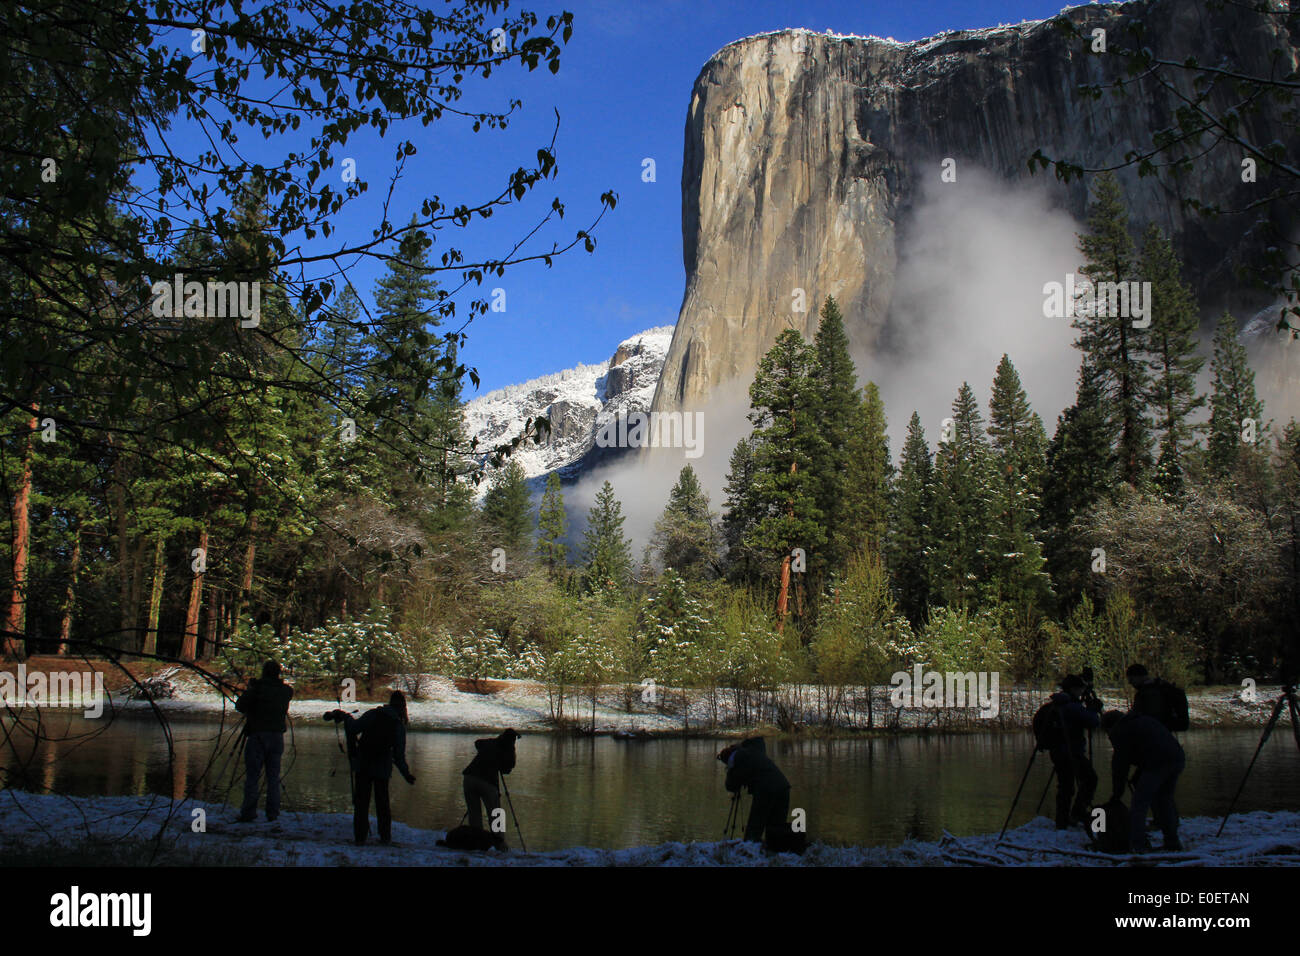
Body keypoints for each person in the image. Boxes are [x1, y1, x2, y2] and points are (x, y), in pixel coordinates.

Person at [325, 691, 416, 845]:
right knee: (383, 803)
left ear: (389, 702)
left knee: (361, 802)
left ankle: (360, 837)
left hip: (363, 764)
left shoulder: (373, 714)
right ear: (403, 707)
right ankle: (385, 837)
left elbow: (353, 728)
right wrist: (406, 774)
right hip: (382, 768)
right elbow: (399, 755)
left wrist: (345, 717)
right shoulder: (397, 724)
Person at [1102, 708, 1186, 852]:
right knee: (1164, 800)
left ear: (1110, 726)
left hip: (1158, 763)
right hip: (1176, 757)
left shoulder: (1120, 731)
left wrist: (1117, 794)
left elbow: (1120, 766)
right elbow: (1149, 747)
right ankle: (1172, 842)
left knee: (1139, 805)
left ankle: (1138, 845)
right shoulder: (1141, 720)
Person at [234, 660, 293, 823]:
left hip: (258, 735)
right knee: (273, 777)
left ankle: (248, 812)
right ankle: (272, 813)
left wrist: (252, 689)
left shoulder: (258, 690)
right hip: (277, 737)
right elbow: (287, 691)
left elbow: (240, 706)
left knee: (253, 776)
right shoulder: (285, 691)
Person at [1043, 674, 1102, 830]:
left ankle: (1062, 820)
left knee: (1065, 786)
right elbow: (1094, 722)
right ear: (1074, 689)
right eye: (1080, 689)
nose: (1081, 692)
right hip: (1071, 752)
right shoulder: (1071, 706)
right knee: (1089, 780)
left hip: (1057, 751)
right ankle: (1077, 814)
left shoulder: (1057, 704)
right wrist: (1093, 709)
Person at [719, 737, 791, 843]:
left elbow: (731, 786)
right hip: (783, 787)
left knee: (755, 828)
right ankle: (778, 853)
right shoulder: (755, 750)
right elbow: (756, 740)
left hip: (765, 790)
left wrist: (730, 769)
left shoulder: (738, 758)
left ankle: (750, 850)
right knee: (777, 828)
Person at [462, 729, 520, 837]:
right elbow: (507, 769)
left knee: (474, 813)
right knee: (496, 813)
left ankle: (476, 842)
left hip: (469, 778)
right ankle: (500, 844)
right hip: (487, 782)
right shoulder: (508, 749)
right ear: (513, 741)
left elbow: (478, 743)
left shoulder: (491, 742)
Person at [1126, 664, 1191, 732]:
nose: (1130, 682)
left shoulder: (1149, 692)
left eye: (1131, 679)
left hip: (1155, 735)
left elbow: (1152, 719)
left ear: (1139, 676)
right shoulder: (1161, 686)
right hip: (1164, 735)